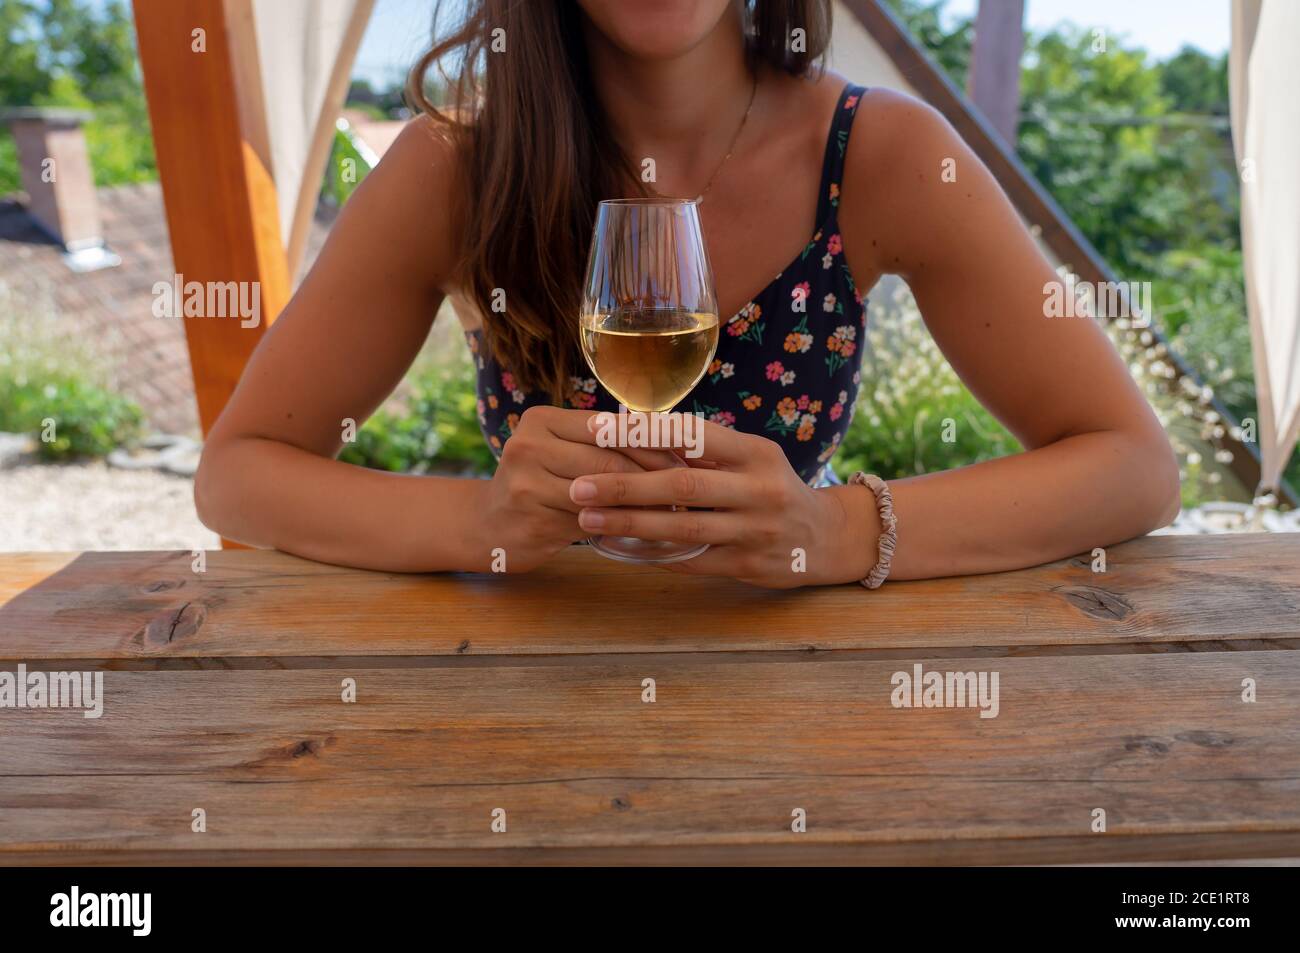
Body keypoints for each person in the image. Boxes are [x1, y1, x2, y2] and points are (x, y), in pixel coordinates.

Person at [195, 0, 1179, 588]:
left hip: (800, 690)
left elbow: (1133, 466)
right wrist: (480, 523)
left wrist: (831, 530)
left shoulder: (885, 154)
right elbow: (238, 473)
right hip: (533, 693)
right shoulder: (454, 167)